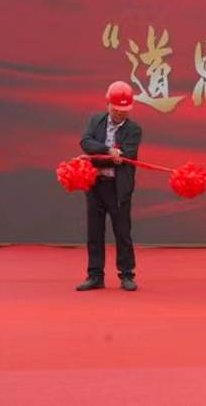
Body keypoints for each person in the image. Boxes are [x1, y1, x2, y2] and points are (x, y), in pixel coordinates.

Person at [76, 81, 143, 291]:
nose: (120, 113)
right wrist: (108, 151)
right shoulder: (95, 120)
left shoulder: (134, 129)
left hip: (118, 188)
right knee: (94, 233)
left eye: (124, 110)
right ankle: (95, 275)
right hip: (95, 185)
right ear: (108, 104)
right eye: (116, 110)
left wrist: (102, 157)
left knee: (122, 233)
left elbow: (127, 156)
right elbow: (86, 143)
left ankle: (127, 275)